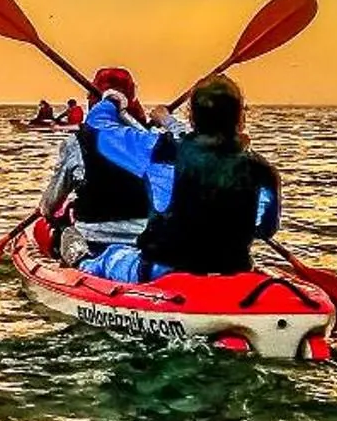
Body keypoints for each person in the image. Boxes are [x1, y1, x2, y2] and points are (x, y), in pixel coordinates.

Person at [82, 73, 282, 282]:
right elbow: (265, 230)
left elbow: (96, 128)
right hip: (233, 269)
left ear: (192, 116)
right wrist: (167, 119)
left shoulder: (161, 151)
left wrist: (113, 100)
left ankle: (79, 262)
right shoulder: (263, 170)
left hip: (162, 272)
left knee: (111, 256)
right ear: (240, 118)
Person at [39, 68, 155, 264]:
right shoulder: (154, 140)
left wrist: (47, 212)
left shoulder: (76, 142)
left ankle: (80, 263)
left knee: (64, 230)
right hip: (148, 237)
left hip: (92, 239)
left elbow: (50, 206)